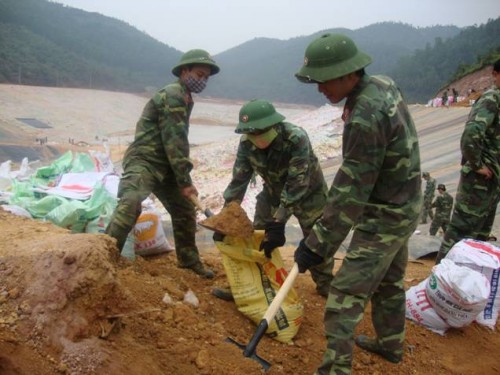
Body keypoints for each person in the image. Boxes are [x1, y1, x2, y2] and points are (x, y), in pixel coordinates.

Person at [293, 33, 422, 374]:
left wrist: (316, 244)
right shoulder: (382, 84)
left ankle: (336, 369)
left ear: (350, 73)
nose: (321, 89)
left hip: (385, 216)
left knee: (344, 296)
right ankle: (390, 345)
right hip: (406, 204)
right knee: (390, 281)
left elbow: (351, 190)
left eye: (325, 80)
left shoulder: (365, 115)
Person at [105, 49, 220, 278]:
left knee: (184, 210)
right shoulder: (173, 95)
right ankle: (103, 259)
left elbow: (178, 142)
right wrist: (185, 181)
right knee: (131, 202)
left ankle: (188, 261)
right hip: (145, 160)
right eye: (199, 74)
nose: (202, 80)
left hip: (166, 165)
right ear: (184, 70)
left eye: (206, 77)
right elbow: (175, 140)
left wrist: (179, 179)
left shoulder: (186, 97)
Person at [213, 99, 334, 300]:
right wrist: (226, 216)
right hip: (273, 192)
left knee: (316, 240)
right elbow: (239, 181)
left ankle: (327, 287)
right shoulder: (246, 144)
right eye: (252, 133)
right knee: (259, 235)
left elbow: (297, 183)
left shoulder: (296, 138)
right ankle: (254, 284)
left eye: (261, 131)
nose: (257, 138)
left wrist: (278, 221)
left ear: (274, 124)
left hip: (310, 194)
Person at [435, 59, 500, 264]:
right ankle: (440, 278)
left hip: (493, 180)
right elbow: (471, 134)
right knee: (461, 231)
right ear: (496, 75)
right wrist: (477, 165)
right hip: (479, 180)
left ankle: (465, 281)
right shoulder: (492, 99)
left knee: (480, 235)